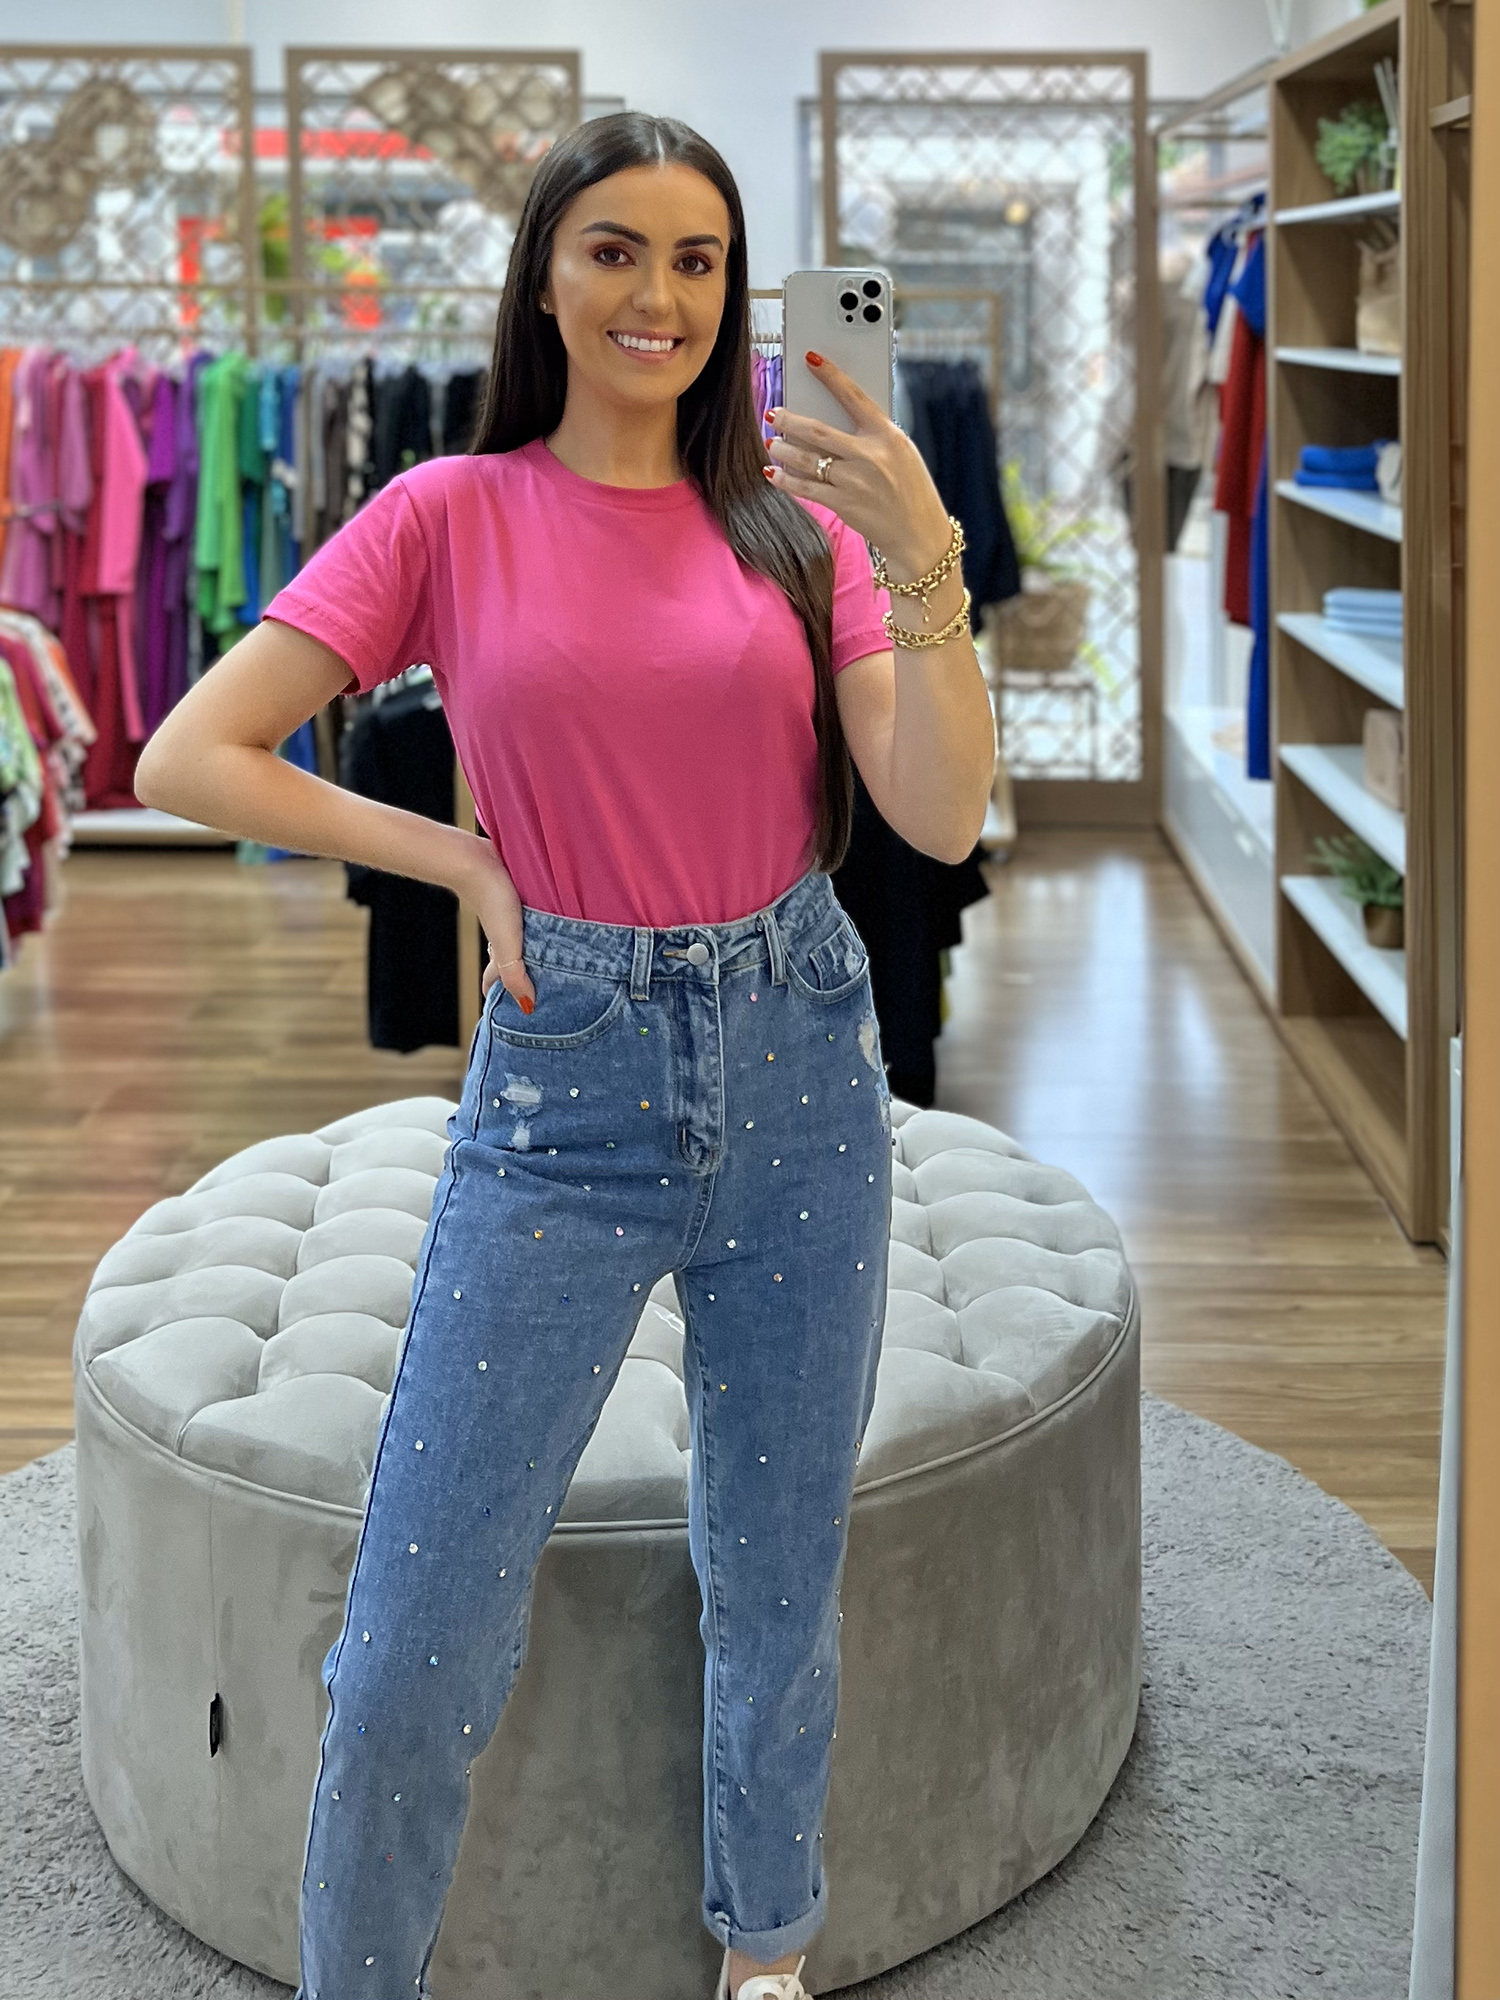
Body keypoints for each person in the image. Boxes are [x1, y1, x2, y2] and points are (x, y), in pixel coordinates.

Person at [136, 110, 993, 2000]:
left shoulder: (805, 525)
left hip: (800, 1059)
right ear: (544, 272)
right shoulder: (447, 511)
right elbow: (188, 755)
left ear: (736, 293)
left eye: (698, 260)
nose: (656, 295)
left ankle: (765, 1956)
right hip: (564, 1088)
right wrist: (458, 856)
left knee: (778, 1572)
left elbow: (937, 814)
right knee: (417, 1629)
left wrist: (922, 549)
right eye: (614, 249)